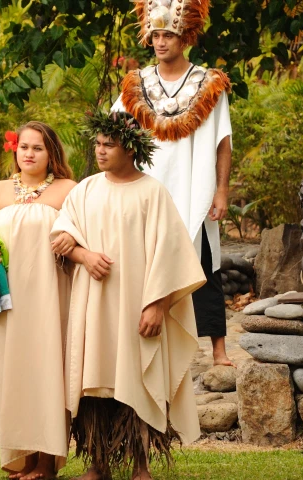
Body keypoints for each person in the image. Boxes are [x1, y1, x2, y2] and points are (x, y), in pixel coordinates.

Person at [50, 111, 206, 480]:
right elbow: (60, 236)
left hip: (138, 304)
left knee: (136, 375)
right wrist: (84, 255)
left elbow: (172, 255)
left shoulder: (152, 193)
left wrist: (158, 305)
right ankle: (98, 463)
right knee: (96, 378)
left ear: (130, 148)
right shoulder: (86, 189)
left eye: (109, 144)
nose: (101, 151)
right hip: (95, 306)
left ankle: (141, 466)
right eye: (98, 144)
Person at [112, 0, 234, 366]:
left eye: (168, 35)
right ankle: (142, 343)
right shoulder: (136, 84)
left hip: (194, 186)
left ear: (186, 37)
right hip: (147, 188)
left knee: (205, 263)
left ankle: (219, 350)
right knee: (143, 261)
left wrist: (221, 190)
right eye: (156, 35)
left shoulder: (209, 84)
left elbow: (223, 142)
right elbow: (115, 133)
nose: (160, 42)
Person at [0, 122, 77, 479]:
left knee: (48, 370)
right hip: (7, 299)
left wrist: (71, 244)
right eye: (24, 147)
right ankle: (22, 458)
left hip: (51, 295)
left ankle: (47, 461)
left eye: (38, 148)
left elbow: (84, 240)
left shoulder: (69, 190)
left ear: (52, 153)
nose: (29, 154)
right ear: (14, 150)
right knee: (13, 373)